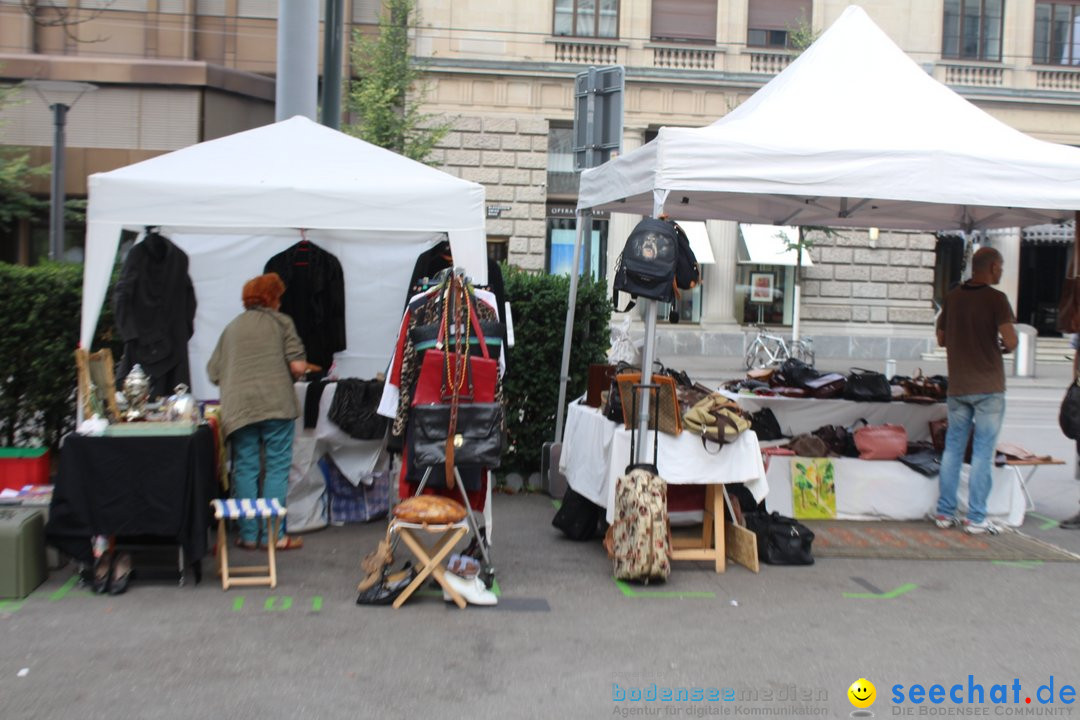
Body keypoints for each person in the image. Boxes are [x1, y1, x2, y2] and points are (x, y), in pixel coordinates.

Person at [208, 273, 308, 550]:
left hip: (239, 409)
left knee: (245, 468)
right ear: (274, 298)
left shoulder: (231, 327)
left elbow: (214, 372)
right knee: (276, 469)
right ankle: (274, 536)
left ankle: (249, 535)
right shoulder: (281, 322)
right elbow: (298, 367)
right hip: (276, 405)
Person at [930, 247, 1018, 535]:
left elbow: (941, 339)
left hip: (958, 386)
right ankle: (976, 517)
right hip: (989, 386)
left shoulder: (952, 298)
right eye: (1001, 267)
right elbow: (1012, 340)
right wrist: (1001, 343)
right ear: (992, 267)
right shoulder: (997, 299)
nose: (1002, 271)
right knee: (982, 451)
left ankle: (945, 512)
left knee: (953, 449)